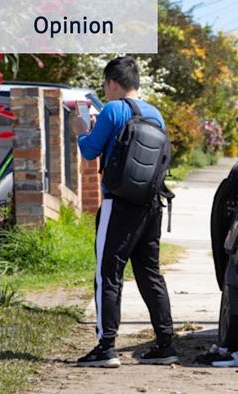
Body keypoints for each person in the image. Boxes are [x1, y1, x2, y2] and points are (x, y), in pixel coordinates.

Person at [73, 56, 177, 367]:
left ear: (113, 83)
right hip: (151, 204)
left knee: (108, 272)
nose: (105, 91)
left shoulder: (112, 110)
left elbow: (90, 150)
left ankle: (106, 347)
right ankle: (165, 343)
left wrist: (81, 131)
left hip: (118, 204)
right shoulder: (155, 114)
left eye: (105, 85)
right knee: (150, 273)